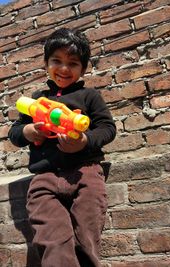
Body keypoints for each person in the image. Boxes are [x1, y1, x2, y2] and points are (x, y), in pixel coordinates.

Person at [8, 28, 116, 267]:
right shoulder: (37, 101)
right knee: (51, 238)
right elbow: (14, 133)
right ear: (46, 63)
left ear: (83, 69)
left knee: (87, 234)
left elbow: (107, 129)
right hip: (44, 178)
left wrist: (84, 141)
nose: (64, 69)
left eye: (73, 63)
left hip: (85, 172)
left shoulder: (89, 96)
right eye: (56, 61)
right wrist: (31, 130)